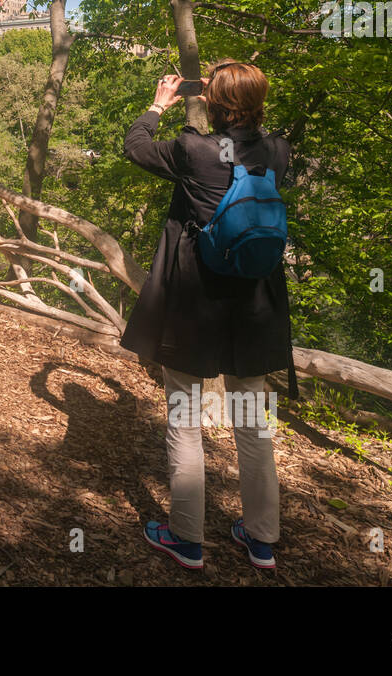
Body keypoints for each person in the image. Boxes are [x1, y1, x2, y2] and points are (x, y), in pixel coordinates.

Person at [119, 60, 293, 571]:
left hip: (196, 304)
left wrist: (159, 103)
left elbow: (135, 146)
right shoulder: (278, 149)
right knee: (253, 425)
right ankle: (261, 540)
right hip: (255, 307)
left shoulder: (192, 149)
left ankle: (187, 539)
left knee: (185, 419)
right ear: (260, 101)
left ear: (211, 103)